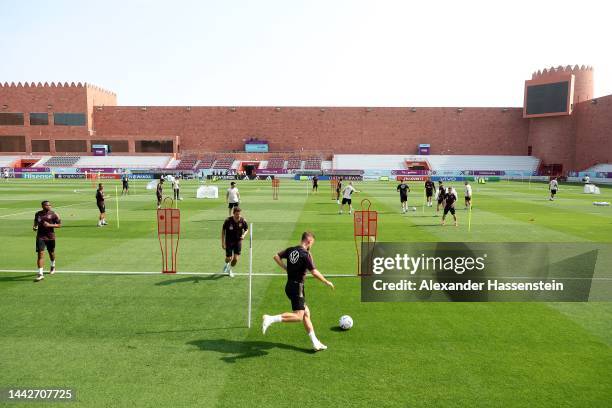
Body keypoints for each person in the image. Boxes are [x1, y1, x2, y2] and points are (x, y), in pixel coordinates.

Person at [262, 231, 334, 352]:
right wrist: (326, 281)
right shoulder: (305, 255)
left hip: (290, 286)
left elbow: (276, 256)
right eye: (312, 243)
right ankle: (270, 319)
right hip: (297, 288)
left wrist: (285, 268)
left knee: (306, 314)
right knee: (299, 316)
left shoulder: (291, 249)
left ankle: (315, 343)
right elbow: (314, 272)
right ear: (309, 241)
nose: (312, 246)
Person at [33, 201, 61, 282]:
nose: (49, 206)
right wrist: (35, 227)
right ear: (43, 206)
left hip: (50, 237)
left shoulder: (54, 214)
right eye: (47, 205)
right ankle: (40, 274)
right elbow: (36, 222)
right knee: (40, 254)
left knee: (51, 253)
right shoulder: (38, 214)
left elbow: (59, 225)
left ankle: (53, 265)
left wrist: (50, 225)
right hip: (40, 237)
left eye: (50, 205)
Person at [221, 207, 248, 278]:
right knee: (228, 258)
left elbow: (246, 229)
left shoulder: (243, 221)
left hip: (238, 241)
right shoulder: (228, 221)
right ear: (233, 214)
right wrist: (223, 243)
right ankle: (227, 265)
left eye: (239, 214)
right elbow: (223, 231)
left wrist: (243, 235)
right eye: (236, 214)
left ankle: (230, 268)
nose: (238, 216)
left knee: (235, 259)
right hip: (229, 241)